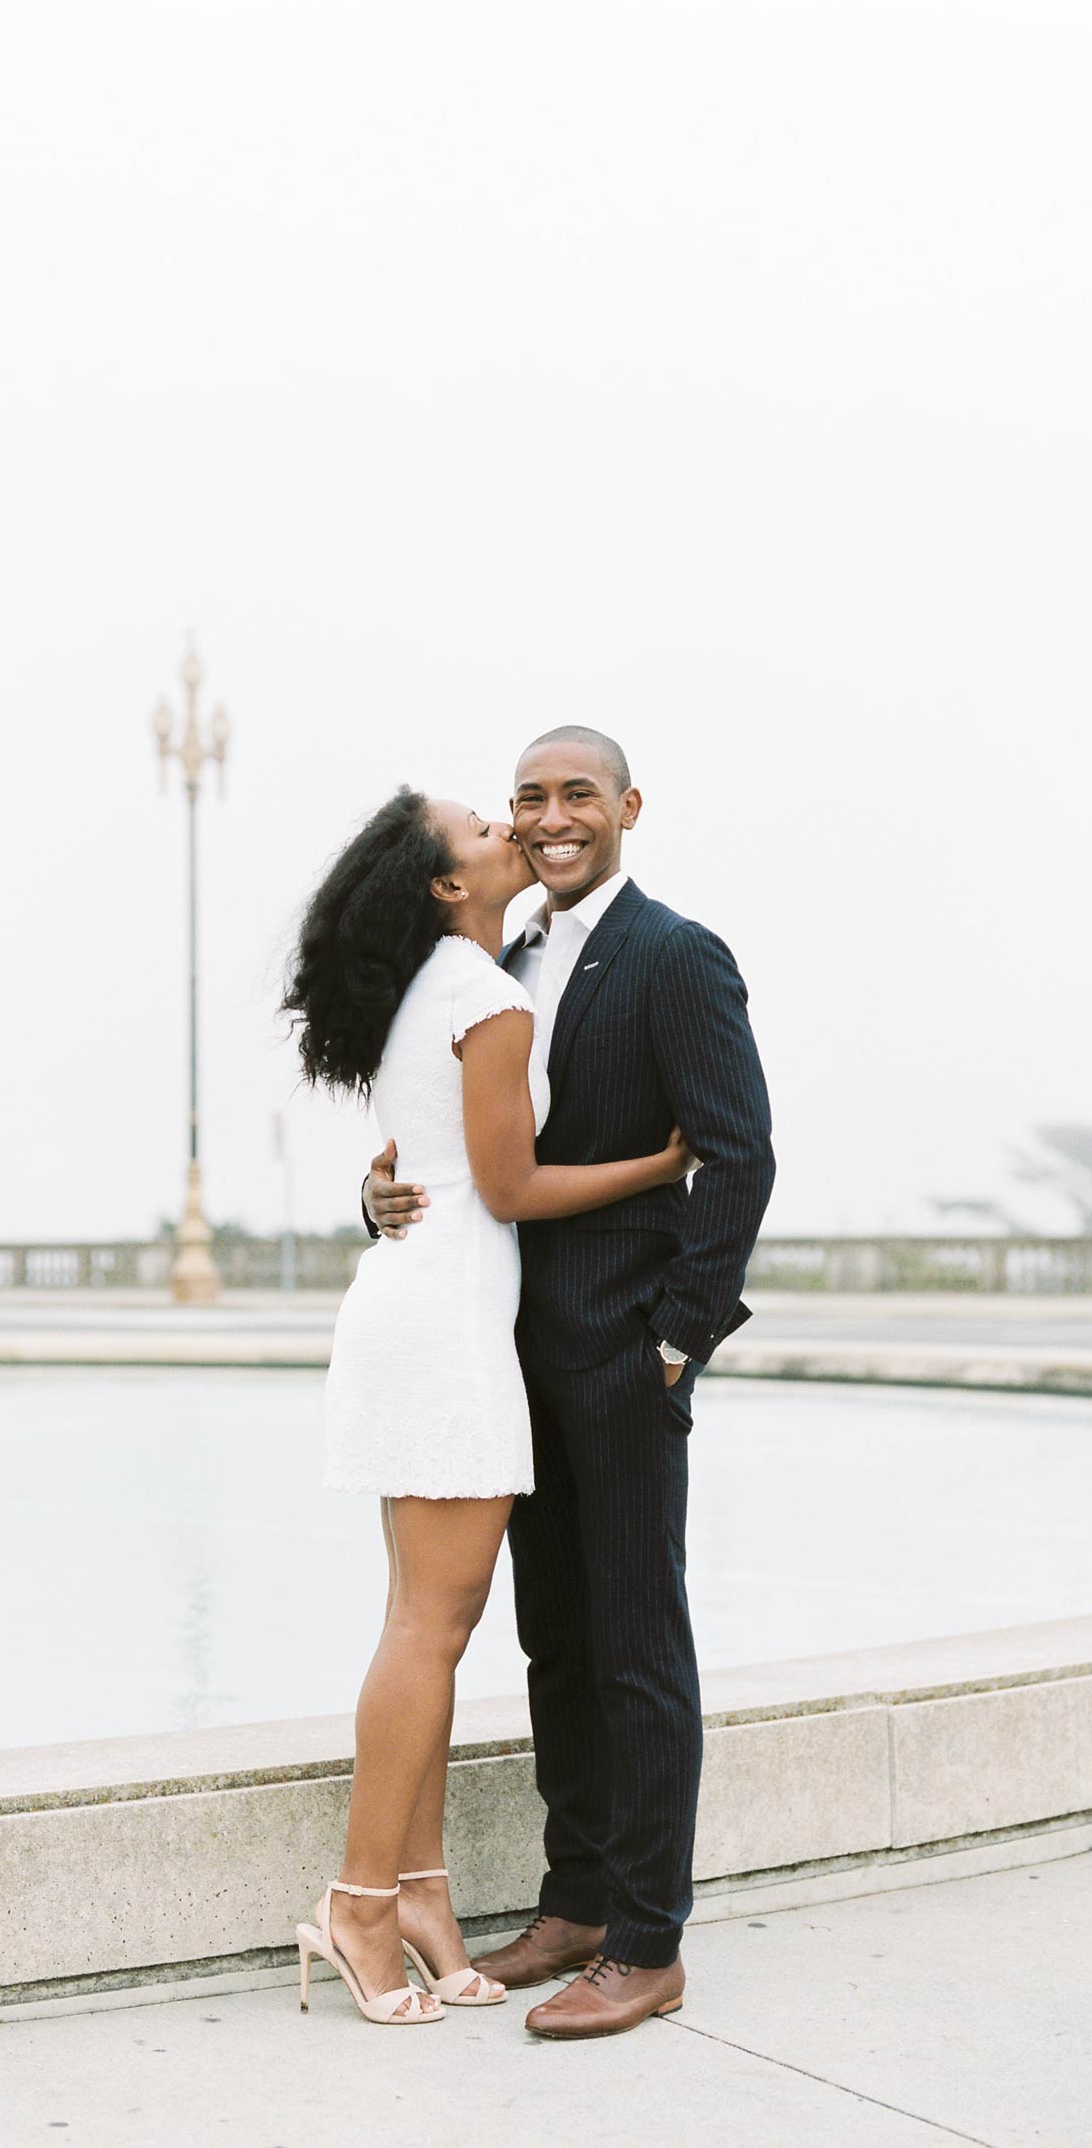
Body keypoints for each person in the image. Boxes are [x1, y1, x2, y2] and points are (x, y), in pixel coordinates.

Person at [363, 726, 775, 2039]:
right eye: (528, 797)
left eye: (575, 793)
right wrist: (376, 1200)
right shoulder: (498, 960)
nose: (549, 816)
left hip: (620, 1355)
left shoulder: (674, 954)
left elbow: (738, 1155)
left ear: (627, 807)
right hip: (506, 1355)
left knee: (639, 1644)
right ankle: (578, 1896)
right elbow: (463, 1141)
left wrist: (678, 1339)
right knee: (555, 1640)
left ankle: (649, 1940)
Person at [280, 785, 693, 2028]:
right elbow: (507, 1186)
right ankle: (358, 1902)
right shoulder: (489, 992)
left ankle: (418, 1896)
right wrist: (664, 1162)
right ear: (447, 885)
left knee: (423, 1620)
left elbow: (441, 1169)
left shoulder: (437, 986)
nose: (509, 830)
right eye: (481, 828)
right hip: (449, 1328)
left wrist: (378, 1194)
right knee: (429, 1629)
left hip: (411, 1308)